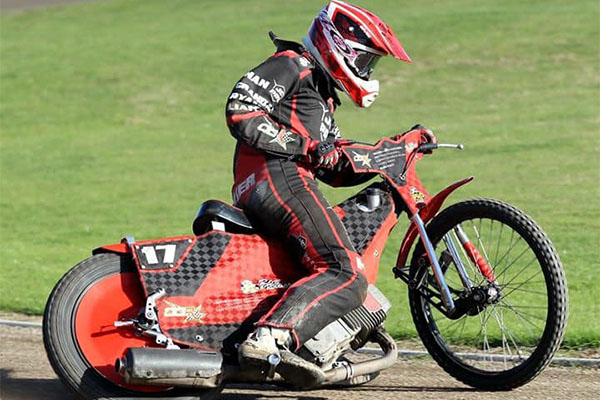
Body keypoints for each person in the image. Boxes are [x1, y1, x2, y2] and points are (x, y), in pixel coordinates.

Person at [225, 0, 434, 383]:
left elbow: (333, 166)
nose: (367, 72)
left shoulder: (321, 95)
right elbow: (241, 109)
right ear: (338, 46)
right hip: (276, 176)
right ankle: (269, 340)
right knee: (346, 271)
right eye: (365, 61)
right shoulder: (292, 64)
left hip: (280, 179)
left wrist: (385, 154)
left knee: (336, 265)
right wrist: (301, 146)